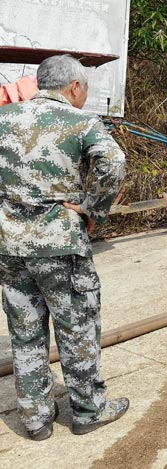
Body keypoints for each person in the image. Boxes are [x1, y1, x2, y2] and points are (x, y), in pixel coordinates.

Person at [0, 54, 129, 440]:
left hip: (8, 245)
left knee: (25, 331)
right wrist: (93, 209)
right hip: (59, 244)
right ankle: (89, 410)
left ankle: (36, 419)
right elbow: (114, 161)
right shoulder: (80, 122)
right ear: (74, 87)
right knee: (76, 327)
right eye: (85, 88)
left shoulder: (3, 119)